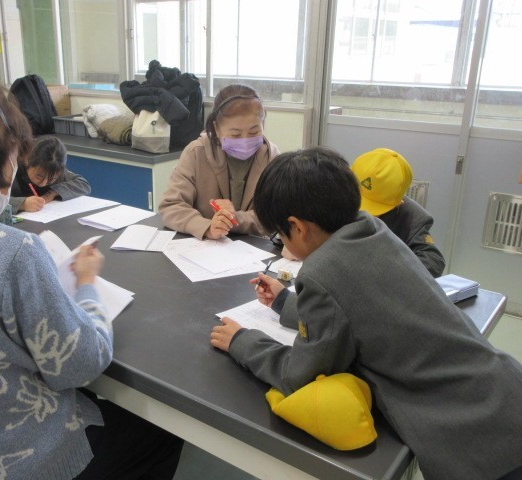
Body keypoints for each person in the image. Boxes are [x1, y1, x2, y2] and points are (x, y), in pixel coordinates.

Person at [0, 76, 182, 480]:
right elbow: (82, 364)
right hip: (19, 462)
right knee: (159, 432)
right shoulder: (10, 251)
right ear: (5, 157)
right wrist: (87, 285)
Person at [210, 147, 522, 480]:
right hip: (505, 393)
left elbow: (299, 374)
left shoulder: (321, 272)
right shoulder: (373, 230)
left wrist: (243, 342)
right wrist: (284, 301)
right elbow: (357, 306)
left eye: (281, 234)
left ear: (297, 228)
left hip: (475, 440)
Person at [279, 147, 445, 277]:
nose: (362, 211)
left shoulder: (412, 217)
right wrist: (301, 245)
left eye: (374, 207)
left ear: (398, 202)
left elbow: (433, 262)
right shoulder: (336, 196)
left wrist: (371, 267)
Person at [159, 84, 280, 240]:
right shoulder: (196, 153)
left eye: (254, 132)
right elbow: (171, 205)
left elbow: (277, 214)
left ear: (263, 125)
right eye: (235, 135)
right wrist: (206, 227)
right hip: (206, 245)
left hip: (254, 247)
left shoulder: (272, 158)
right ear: (216, 128)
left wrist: (234, 219)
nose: (245, 140)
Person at [10, 134, 91, 212]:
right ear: (27, 161)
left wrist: (53, 192)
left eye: (52, 179)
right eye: (39, 176)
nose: (43, 183)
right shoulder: (12, 169)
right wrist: (23, 204)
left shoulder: (55, 170)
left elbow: (84, 184)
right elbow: (1, 200)